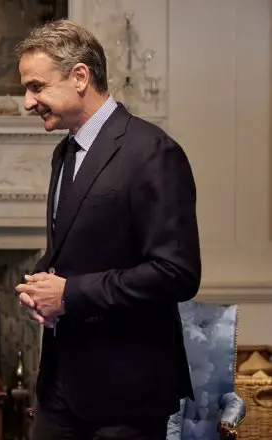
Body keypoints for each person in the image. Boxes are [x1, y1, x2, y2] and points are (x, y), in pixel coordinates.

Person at [14, 20, 201, 440]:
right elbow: (78, 246)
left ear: (80, 76)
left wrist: (70, 294)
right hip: (60, 386)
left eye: (37, 86)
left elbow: (178, 273)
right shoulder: (64, 153)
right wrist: (40, 285)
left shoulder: (153, 151)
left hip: (125, 397)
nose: (28, 102)